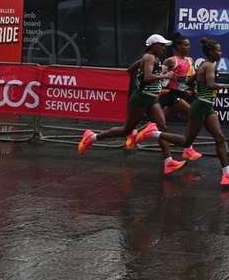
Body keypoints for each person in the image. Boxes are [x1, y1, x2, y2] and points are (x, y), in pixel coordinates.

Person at [138, 38, 229, 186]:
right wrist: (226, 85)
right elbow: (211, 84)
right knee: (186, 141)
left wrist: (191, 88)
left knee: (220, 138)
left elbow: (190, 81)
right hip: (201, 106)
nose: (220, 53)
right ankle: (153, 132)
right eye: (218, 50)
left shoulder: (203, 65)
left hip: (207, 106)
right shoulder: (208, 65)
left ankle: (227, 174)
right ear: (211, 52)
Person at [78, 34, 185, 175]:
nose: (164, 47)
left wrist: (139, 66)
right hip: (140, 99)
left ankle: (168, 162)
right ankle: (92, 137)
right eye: (162, 45)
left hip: (152, 99)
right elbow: (147, 78)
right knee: (126, 130)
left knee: (162, 127)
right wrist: (165, 76)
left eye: (165, 45)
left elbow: (130, 69)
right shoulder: (149, 57)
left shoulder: (150, 58)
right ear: (153, 45)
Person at [159, 33, 203, 162]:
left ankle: (137, 133)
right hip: (172, 95)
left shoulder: (190, 60)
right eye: (185, 45)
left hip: (185, 95)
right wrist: (168, 75)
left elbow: (190, 79)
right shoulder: (171, 60)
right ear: (178, 46)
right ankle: (188, 149)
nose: (188, 47)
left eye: (189, 45)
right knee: (192, 115)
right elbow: (157, 74)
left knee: (159, 123)